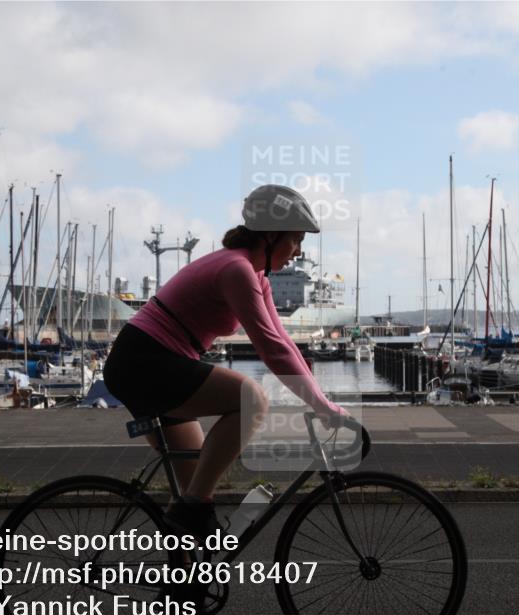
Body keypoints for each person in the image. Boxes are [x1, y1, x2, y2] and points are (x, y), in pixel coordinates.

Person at [103, 185, 348, 539]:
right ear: (270, 236)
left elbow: (282, 342)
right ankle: (193, 508)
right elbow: (271, 350)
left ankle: (186, 566)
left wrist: (320, 399)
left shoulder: (256, 275)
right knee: (251, 400)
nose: (298, 251)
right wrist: (322, 407)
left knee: (191, 488)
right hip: (145, 361)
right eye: (295, 239)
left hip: (153, 361)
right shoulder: (236, 270)